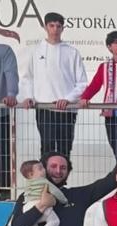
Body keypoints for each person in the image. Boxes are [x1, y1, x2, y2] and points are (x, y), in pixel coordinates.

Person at [19, 12, 85, 159]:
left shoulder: (72, 52)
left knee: (64, 149)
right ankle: (46, 182)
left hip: (67, 110)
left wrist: (67, 99)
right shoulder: (35, 51)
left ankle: (63, 183)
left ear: (63, 28)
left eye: (58, 26)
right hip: (44, 108)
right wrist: (29, 97)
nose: (55, 29)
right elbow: (27, 77)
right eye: (51, 25)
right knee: (47, 148)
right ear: (45, 27)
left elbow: (82, 83)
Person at [0, 41, 15, 199]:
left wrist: (11, 94)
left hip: (0, 114)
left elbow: (11, 73)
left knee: (4, 156)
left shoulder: (4, 50)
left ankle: (5, 194)